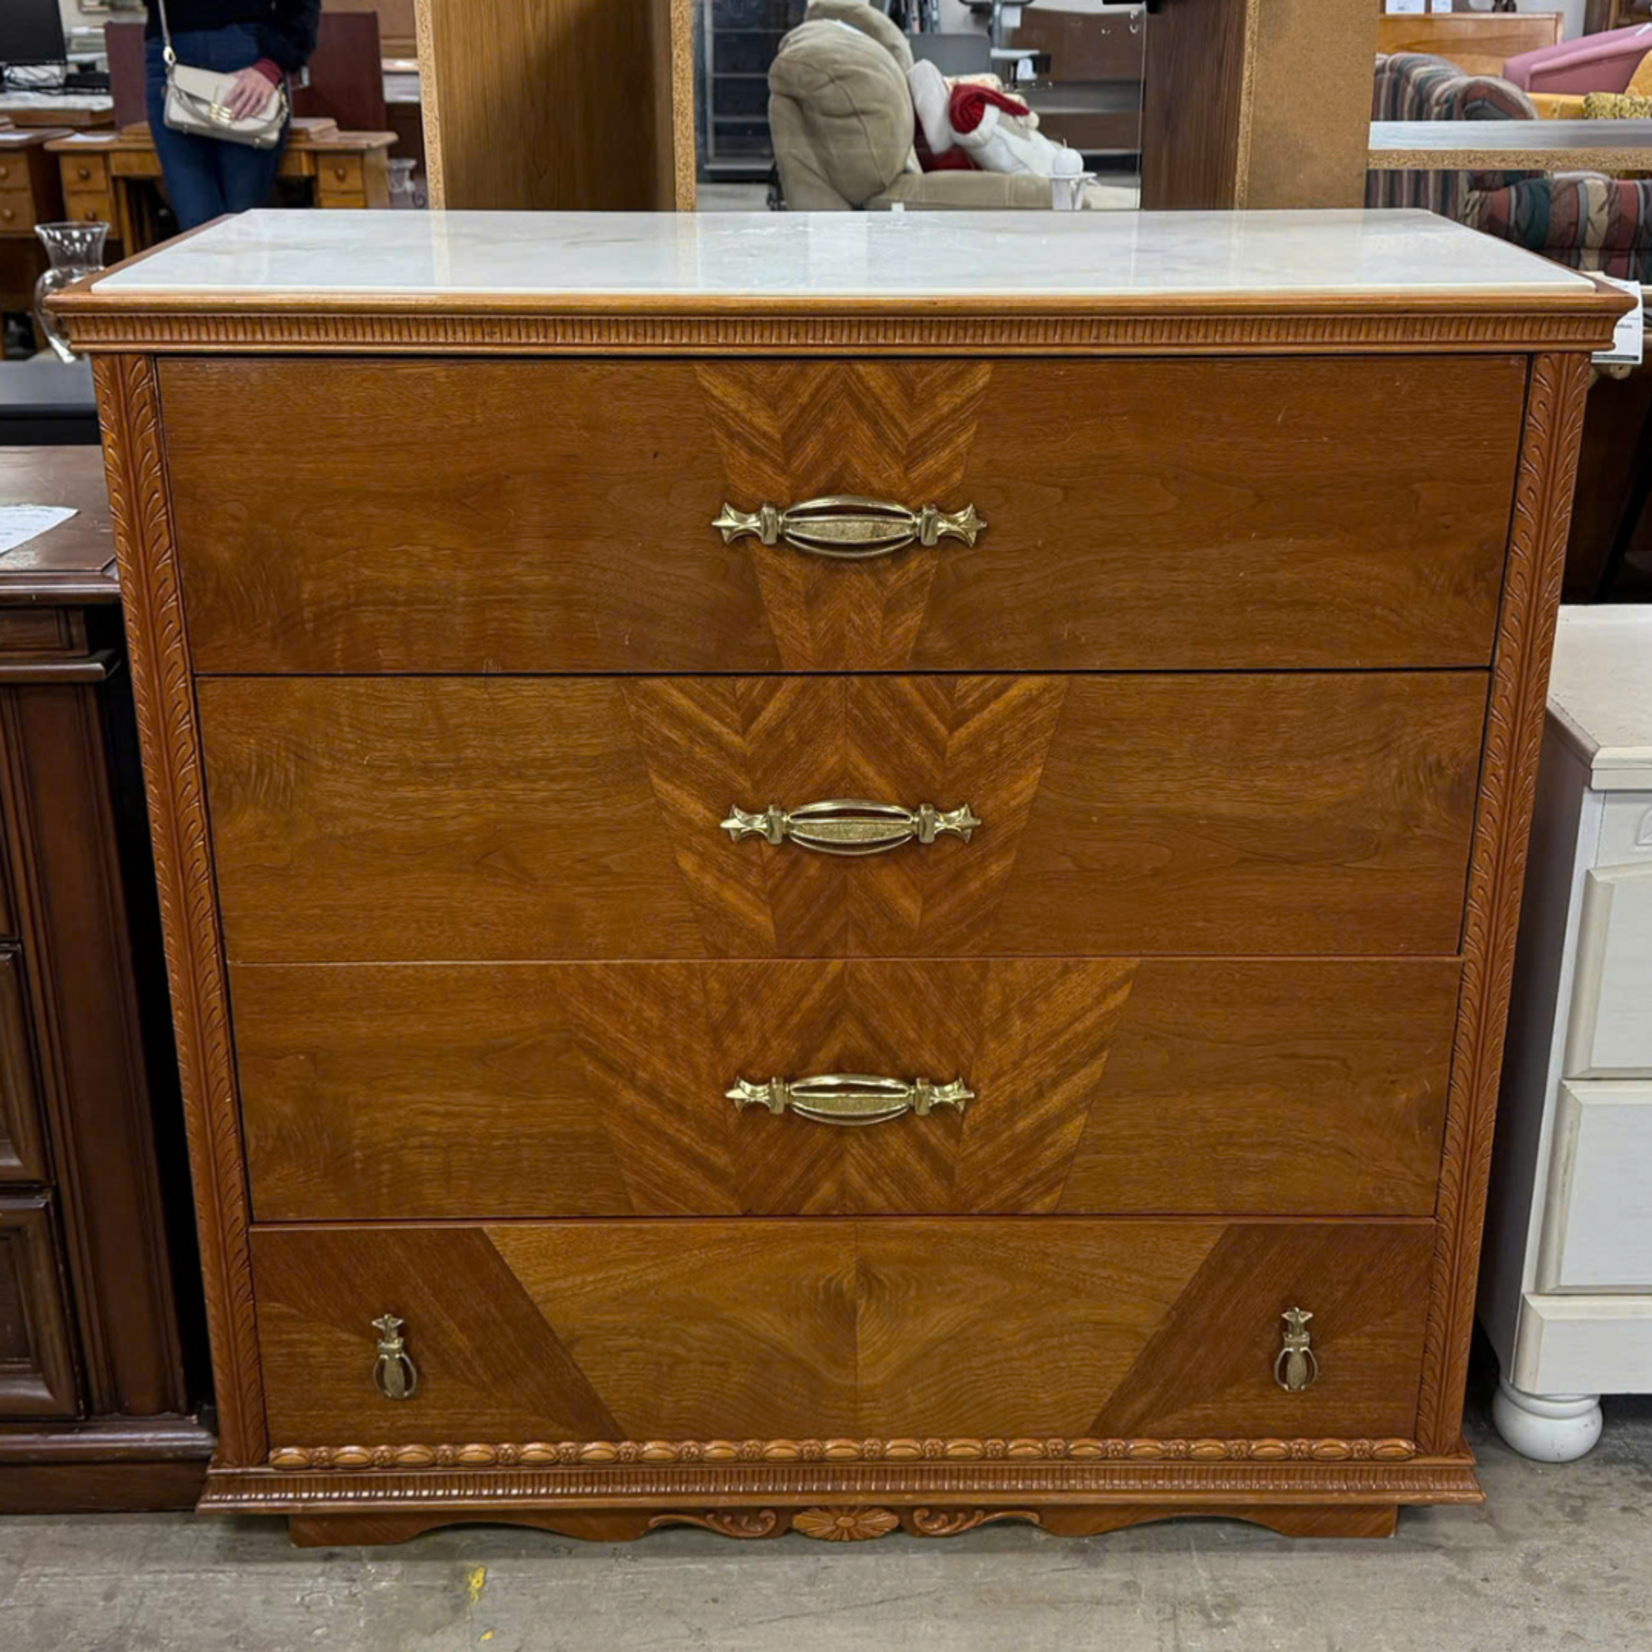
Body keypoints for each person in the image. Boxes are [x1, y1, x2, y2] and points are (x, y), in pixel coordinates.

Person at [143, 0, 320, 230]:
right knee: (197, 227)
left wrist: (272, 64)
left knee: (242, 222)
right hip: (171, 50)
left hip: (246, 52)